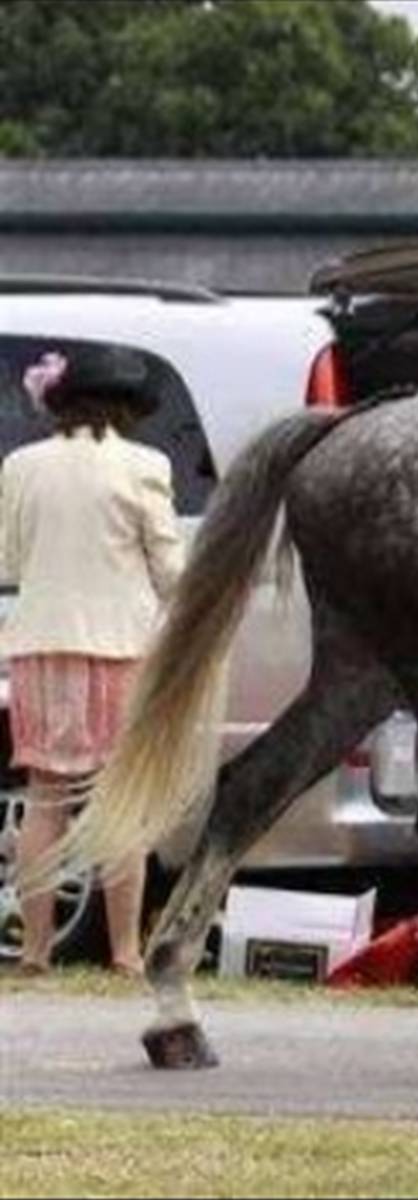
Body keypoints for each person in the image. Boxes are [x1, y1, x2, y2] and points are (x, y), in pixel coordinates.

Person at [2, 346, 185, 976]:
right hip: (119, 647)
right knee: (120, 801)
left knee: (44, 797)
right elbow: (169, 568)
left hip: (37, 647)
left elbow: (8, 561)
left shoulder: (21, 465)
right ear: (128, 410)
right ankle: (125, 952)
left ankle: (33, 950)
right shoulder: (144, 465)